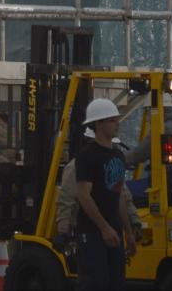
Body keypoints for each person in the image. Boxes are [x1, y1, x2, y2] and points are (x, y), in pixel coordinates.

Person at [75, 98, 137, 290]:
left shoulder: (117, 155)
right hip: (92, 232)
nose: (117, 123)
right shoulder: (87, 156)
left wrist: (128, 232)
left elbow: (118, 196)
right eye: (111, 120)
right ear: (98, 124)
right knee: (96, 283)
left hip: (114, 232)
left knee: (116, 284)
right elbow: (84, 195)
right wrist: (104, 228)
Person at [57, 128, 141, 238]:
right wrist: (64, 230)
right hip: (88, 228)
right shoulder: (76, 166)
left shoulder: (112, 165)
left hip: (109, 227)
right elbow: (66, 198)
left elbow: (123, 196)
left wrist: (134, 222)